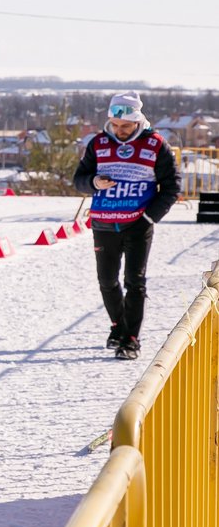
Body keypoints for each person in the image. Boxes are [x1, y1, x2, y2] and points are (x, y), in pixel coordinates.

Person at [73, 90, 181, 360]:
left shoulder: (155, 145)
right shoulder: (98, 143)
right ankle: (118, 327)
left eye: (126, 126)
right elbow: (79, 179)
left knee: (134, 282)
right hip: (103, 223)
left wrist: (149, 218)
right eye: (115, 125)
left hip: (137, 224)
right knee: (107, 281)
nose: (119, 131)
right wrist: (94, 182)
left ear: (138, 121)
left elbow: (171, 187)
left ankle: (131, 339)